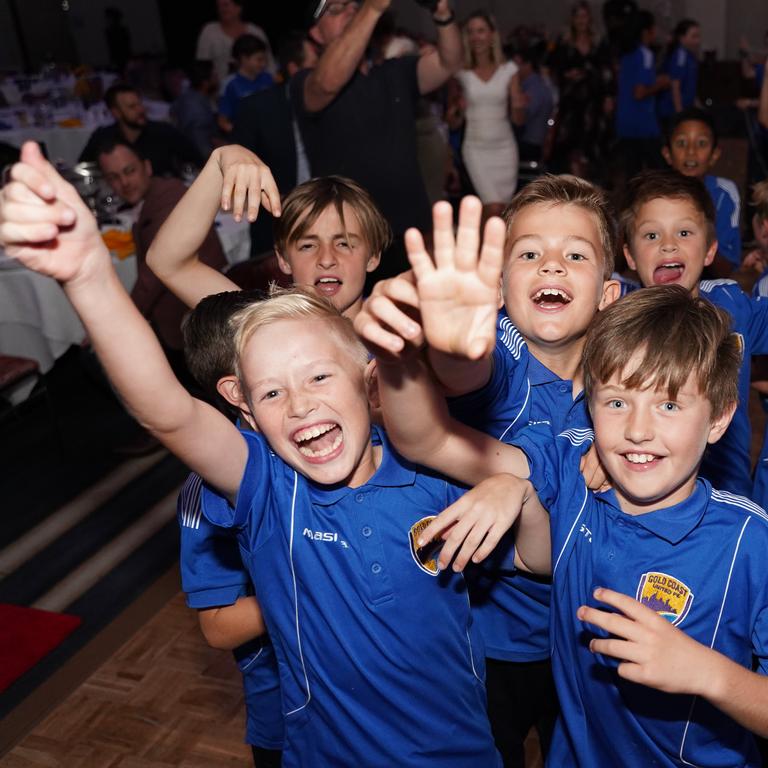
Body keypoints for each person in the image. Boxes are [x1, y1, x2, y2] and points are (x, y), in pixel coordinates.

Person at [0, 142, 504, 767]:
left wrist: (509, 483)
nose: (299, 403)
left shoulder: (425, 456)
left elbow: (476, 416)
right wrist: (89, 276)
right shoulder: (271, 474)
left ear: (368, 375)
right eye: (271, 391)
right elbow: (169, 409)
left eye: (320, 378)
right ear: (245, 401)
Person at [365, 228, 768, 766]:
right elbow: (433, 441)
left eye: (669, 406)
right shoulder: (572, 469)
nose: (638, 430)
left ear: (719, 418)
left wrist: (709, 674)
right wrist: (401, 357)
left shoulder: (750, 541)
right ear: (588, 404)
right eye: (617, 402)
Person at [355, 178, 621, 768]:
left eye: (574, 254)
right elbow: (454, 387)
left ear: (609, 293)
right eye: (528, 253)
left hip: (585, 639)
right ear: (498, 288)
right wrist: (433, 347)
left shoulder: (626, 384)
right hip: (482, 638)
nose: (551, 264)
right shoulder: (494, 349)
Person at [619, 169, 768, 500]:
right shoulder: (616, 317)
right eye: (651, 236)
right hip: (642, 491)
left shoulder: (733, 305)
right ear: (629, 255)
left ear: (710, 250)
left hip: (726, 494)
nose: (668, 244)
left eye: (684, 232)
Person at [291, 0, 462, 282]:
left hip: (408, 228)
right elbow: (327, 83)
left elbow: (449, 62)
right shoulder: (307, 82)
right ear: (315, 35)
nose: (349, 11)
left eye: (352, 7)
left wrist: (442, 14)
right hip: (348, 236)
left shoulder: (394, 72)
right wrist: (371, 9)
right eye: (335, 10)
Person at [146, 169, 391, 322]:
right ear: (283, 259)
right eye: (308, 246)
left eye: (344, 243)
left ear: (373, 256)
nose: (326, 259)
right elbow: (168, 263)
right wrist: (221, 164)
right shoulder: (266, 328)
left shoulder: (399, 330)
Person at [96, 139, 226, 358]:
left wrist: (114, 327)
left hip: (197, 327)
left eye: (129, 171)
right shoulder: (154, 195)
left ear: (147, 167)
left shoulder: (168, 200)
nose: (124, 182)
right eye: (114, 178)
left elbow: (150, 280)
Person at [231, 30, 319, 255]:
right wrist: (280, 202)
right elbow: (239, 171)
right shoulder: (257, 109)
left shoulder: (336, 105)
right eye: (316, 63)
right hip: (276, 228)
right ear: (294, 70)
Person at [454, 10, 525, 208]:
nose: (476, 37)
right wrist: (457, 110)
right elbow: (453, 122)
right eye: (471, 32)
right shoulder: (460, 72)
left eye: (481, 31)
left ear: (492, 34)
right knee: (493, 207)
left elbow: (519, 120)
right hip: (475, 148)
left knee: (502, 210)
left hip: (505, 148)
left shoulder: (509, 70)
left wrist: (518, 106)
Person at [661, 107, 741, 274]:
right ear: (667, 154)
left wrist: (699, 232)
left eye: (701, 143)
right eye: (681, 143)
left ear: (714, 155)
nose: (691, 152)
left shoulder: (723, 194)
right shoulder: (652, 197)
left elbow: (727, 267)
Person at [79, 84, 203, 178]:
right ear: (116, 113)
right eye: (132, 107)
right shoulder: (103, 137)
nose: (141, 110)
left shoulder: (163, 132)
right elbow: (82, 170)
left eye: (140, 104)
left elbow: (198, 161)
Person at [548, 1, 611, 176]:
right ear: (573, 19)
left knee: (592, 145)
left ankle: (592, 183)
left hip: (593, 101)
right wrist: (567, 76)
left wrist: (608, 97)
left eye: (585, 16)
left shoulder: (599, 42)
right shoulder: (564, 42)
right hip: (571, 102)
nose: (582, 20)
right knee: (569, 145)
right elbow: (553, 68)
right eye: (578, 16)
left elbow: (607, 71)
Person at [614, 10, 670, 181]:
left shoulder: (626, 55)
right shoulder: (644, 54)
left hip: (624, 122)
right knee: (661, 172)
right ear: (646, 31)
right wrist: (661, 84)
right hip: (642, 124)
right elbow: (639, 92)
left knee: (633, 175)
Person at [196, 0, 275, 86]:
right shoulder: (209, 31)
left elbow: (270, 64)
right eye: (219, 6)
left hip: (258, 88)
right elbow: (202, 68)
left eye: (226, 5)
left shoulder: (256, 32)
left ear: (239, 8)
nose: (222, 9)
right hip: (221, 91)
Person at [218, 35, 274, 133]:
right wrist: (242, 134)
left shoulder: (268, 78)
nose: (263, 64)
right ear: (244, 59)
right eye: (259, 60)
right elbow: (222, 121)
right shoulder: (231, 85)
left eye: (265, 59)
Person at [511, 48, 554, 163]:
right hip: (529, 143)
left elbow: (523, 117)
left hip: (529, 145)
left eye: (516, 64)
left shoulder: (534, 88)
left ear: (528, 65)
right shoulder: (532, 85)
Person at [171, 60, 219, 159]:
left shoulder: (188, 96)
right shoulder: (196, 109)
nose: (218, 78)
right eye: (214, 75)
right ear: (205, 82)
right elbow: (202, 146)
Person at [657, 18, 701, 122]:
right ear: (682, 38)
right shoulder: (680, 55)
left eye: (698, 36)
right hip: (672, 112)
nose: (698, 40)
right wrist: (679, 113)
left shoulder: (690, 56)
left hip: (686, 110)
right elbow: (675, 85)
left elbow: (690, 86)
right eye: (694, 36)